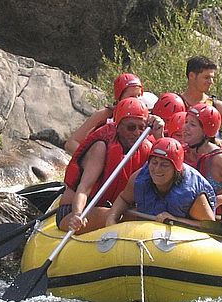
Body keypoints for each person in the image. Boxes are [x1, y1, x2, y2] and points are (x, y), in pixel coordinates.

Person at [59, 97, 164, 234]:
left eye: (141, 128)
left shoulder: (145, 147)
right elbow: (84, 188)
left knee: (131, 214)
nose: (137, 133)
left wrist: (159, 135)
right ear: (118, 127)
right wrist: (77, 214)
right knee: (118, 215)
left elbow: (169, 169)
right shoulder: (101, 147)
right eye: (131, 128)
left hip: (113, 207)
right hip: (76, 210)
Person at [106, 137, 216, 226]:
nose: (157, 169)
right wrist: (112, 218)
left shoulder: (191, 192)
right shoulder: (140, 177)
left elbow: (209, 226)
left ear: (175, 168)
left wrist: (175, 220)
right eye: (154, 162)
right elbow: (124, 199)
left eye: (164, 165)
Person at [64, 73, 157, 153]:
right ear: (119, 98)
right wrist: (91, 159)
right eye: (132, 96)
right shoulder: (104, 115)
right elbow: (71, 143)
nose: (136, 100)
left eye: (139, 96)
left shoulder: (145, 118)